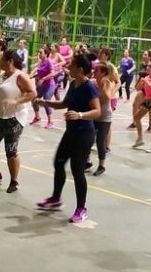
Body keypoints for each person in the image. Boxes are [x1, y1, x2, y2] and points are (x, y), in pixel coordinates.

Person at [34, 54, 101, 223]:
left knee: (77, 170)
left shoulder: (89, 87)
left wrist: (80, 115)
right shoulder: (73, 84)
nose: (68, 68)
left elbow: (97, 111)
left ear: (80, 69)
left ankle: (81, 208)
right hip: (70, 132)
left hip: (84, 133)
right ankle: (56, 198)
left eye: (71, 66)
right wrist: (45, 102)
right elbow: (64, 104)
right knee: (58, 163)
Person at [0, 49, 37, 191]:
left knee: (11, 150)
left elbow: (32, 93)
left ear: (10, 61)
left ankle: (14, 181)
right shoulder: (1, 75)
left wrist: (16, 101)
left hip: (14, 117)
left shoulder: (20, 76)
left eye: (1, 59)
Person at [89, 61, 118, 177]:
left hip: (104, 116)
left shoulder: (106, 82)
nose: (94, 72)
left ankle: (102, 166)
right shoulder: (95, 82)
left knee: (100, 141)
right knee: (89, 139)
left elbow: (107, 97)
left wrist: (96, 104)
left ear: (103, 73)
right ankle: (87, 162)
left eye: (96, 70)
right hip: (95, 115)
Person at [133, 61, 151, 154]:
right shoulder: (146, 77)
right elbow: (137, 88)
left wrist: (148, 83)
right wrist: (140, 82)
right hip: (147, 101)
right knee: (137, 117)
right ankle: (140, 138)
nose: (147, 67)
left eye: (149, 66)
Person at [30, 45, 58, 128]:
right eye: (39, 52)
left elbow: (53, 73)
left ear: (46, 54)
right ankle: (37, 117)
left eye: (41, 52)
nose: (39, 54)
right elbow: (40, 73)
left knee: (46, 101)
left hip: (49, 85)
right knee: (34, 99)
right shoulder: (40, 62)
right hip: (41, 85)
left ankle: (51, 122)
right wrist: (33, 76)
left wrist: (43, 79)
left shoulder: (49, 62)